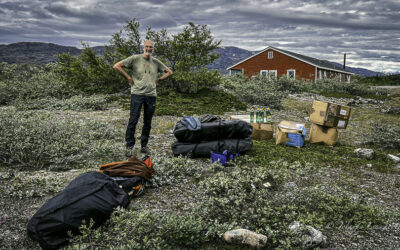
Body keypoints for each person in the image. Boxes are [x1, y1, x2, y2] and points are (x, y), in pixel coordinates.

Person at [113, 40, 173, 154]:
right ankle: (129, 146)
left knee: (148, 121)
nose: (149, 49)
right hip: (137, 94)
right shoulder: (135, 58)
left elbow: (169, 72)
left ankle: (144, 146)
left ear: (153, 49)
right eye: (147, 46)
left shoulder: (156, 62)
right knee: (133, 119)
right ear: (143, 47)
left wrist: (159, 79)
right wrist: (128, 78)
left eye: (151, 47)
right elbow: (116, 66)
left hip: (151, 95)